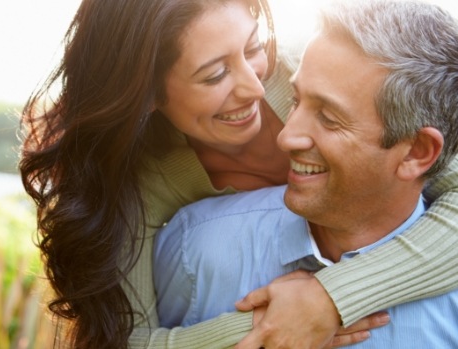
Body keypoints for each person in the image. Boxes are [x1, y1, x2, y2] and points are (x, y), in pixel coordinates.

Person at [17, 0, 458, 347]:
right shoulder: (142, 183)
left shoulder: (318, 77)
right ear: (148, 93)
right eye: (215, 75)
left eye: (252, 48)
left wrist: (332, 299)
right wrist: (266, 327)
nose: (253, 85)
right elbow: (123, 341)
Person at [155, 1, 458, 347]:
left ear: (417, 152)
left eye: (329, 118)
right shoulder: (192, 249)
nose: (285, 137)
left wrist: (333, 297)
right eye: (296, 101)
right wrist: (260, 330)